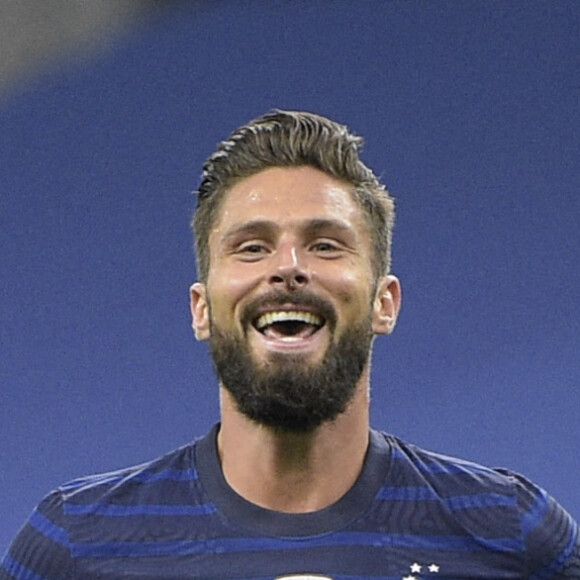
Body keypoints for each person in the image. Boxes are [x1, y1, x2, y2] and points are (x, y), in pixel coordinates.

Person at [1, 110, 578, 580]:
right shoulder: (74, 543)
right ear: (201, 308)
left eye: (326, 245)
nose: (288, 268)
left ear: (385, 302)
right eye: (251, 248)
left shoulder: (511, 532)